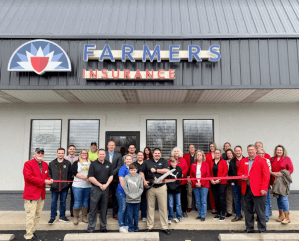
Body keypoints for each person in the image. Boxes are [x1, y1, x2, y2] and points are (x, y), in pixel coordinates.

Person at [238, 144, 270, 233]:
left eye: (252, 150)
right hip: (246, 189)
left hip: (259, 190)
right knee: (248, 210)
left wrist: (264, 188)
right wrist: (242, 176)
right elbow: (239, 172)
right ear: (247, 151)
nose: (250, 151)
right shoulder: (243, 160)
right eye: (249, 150)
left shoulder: (262, 160)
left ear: (256, 150)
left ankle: (262, 228)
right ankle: (249, 228)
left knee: (260, 210)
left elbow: (266, 175)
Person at [23, 148, 53, 241]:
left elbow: (46, 176)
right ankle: (28, 236)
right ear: (34, 154)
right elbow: (28, 177)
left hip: (41, 194)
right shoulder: (28, 164)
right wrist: (44, 181)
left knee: (38, 215)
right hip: (31, 194)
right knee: (31, 216)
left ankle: (32, 232)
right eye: (38, 152)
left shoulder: (45, 164)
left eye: (42, 153)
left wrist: (49, 180)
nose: (40, 154)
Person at [140, 148, 171, 235]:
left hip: (161, 187)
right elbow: (141, 172)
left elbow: (167, 171)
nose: (157, 155)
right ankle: (149, 226)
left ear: (160, 154)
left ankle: (165, 227)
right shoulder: (147, 162)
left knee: (163, 208)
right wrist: (144, 181)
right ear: (152, 154)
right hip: (150, 187)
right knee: (150, 207)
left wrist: (157, 170)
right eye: (155, 153)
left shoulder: (164, 161)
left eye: (158, 153)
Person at [87, 149, 113, 233]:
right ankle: (91, 227)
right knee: (93, 208)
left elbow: (111, 176)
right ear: (98, 155)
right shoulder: (93, 164)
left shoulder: (109, 164)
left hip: (105, 188)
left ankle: (103, 227)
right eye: (100, 154)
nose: (102, 155)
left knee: (104, 208)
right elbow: (90, 177)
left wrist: (106, 185)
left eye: (103, 154)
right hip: (96, 188)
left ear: (105, 155)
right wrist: (99, 185)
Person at [270, 145, 294, 224]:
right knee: (278, 199)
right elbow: (269, 168)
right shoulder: (272, 159)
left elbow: (291, 169)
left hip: (283, 182)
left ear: (283, 151)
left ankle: (287, 217)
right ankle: (281, 215)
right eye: (277, 150)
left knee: (284, 199)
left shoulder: (287, 159)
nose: (279, 151)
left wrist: (282, 173)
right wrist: (272, 173)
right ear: (275, 151)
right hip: (275, 182)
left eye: (280, 150)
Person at [48, 148, 72, 224]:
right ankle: (52, 217)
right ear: (57, 153)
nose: (60, 154)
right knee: (53, 202)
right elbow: (49, 174)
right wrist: (51, 182)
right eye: (59, 153)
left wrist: (67, 184)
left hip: (64, 187)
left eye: (62, 153)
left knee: (63, 202)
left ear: (64, 154)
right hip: (54, 187)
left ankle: (62, 216)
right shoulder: (52, 163)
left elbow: (70, 174)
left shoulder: (67, 163)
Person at [71, 149, 91, 225]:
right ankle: (75, 217)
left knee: (85, 201)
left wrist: (89, 177)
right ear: (80, 154)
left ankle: (84, 217)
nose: (84, 154)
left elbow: (93, 172)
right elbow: (74, 172)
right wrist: (85, 177)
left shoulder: (91, 163)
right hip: (77, 186)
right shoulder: (76, 163)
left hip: (88, 186)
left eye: (86, 153)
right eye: (83, 153)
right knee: (77, 201)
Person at [190, 150, 210, 222]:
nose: (198, 156)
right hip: (195, 185)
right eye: (197, 155)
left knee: (203, 201)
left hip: (204, 185)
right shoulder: (193, 164)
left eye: (200, 155)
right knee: (198, 201)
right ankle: (199, 214)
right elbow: (191, 176)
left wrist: (201, 183)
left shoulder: (206, 164)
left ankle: (203, 215)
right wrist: (195, 183)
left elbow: (208, 175)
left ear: (202, 156)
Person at [105, 140, 123, 219]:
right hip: (105, 179)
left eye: (113, 145)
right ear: (107, 146)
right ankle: (104, 213)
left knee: (115, 197)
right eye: (110, 145)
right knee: (105, 196)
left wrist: (112, 173)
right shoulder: (103, 154)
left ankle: (115, 213)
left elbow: (119, 166)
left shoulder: (118, 155)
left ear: (114, 146)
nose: (111, 146)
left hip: (115, 179)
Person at [123, 162, 144, 232]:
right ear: (129, 170)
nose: (133, 171)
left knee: (136, 214)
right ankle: (130, 227)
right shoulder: (126, 177)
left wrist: (137, 195)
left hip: (137, 199)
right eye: (131, 170)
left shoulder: (139, 177)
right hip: (129, 199)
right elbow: (125, 188)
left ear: (136, 170)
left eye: (134, 170)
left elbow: (141, 188)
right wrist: (130, 195)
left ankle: (136, 227)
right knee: (129, 214)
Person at [168, 147, 189, 217]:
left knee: (183, 197)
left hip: (182, 182)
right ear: (173, 153)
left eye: (177, 151)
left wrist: (182, 174)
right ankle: (173, 212)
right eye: (175, 151)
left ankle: (184, 211)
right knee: (172, 199)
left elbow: (186, 168)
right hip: (173, 183)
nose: (176, 153)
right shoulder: (170, 160)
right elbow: (168, 169)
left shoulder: (183, 159)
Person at [116, 154, 133, 233]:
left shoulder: (133, 168)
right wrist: (127, 191)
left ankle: (126, 224)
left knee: (127, 209)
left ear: (132, 160)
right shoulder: (122, 168)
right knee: (122, 208)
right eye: (127, 159)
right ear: (125, 160)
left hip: (130, 193)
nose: (128, 160)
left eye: (130, 159)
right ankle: (121, 225)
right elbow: (121, 181)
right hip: (122, 192)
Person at [210, 149, 228, 221]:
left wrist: (219, 180)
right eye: (215, 153)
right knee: (216, 198)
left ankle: (223, 214)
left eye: (218, 153)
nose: (217, 154)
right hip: (213, 183)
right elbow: (209, 172)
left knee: (221, 198)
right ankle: (217, 213)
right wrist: (211, 180)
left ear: (220, 154)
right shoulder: (211, 162)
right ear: (214, 154)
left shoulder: (223, 162)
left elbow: (225, 171)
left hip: (222, 183)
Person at [257, 148, 272, 222]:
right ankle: (259, 216)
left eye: (262, 153)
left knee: (266, 201)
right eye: (259, 153)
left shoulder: (267, 160)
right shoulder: (255, 161)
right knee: (257, 202)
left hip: (265, 184)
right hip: (256, 184)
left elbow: (268, 173)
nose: (261, 155)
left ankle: (266, 217)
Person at [230, 145, 244, 222]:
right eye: (236, 151)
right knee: (237, 200)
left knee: (246, 200)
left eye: (239, 151)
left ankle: (248, 216)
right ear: (234, 152)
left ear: (241, 151)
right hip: (235, 184)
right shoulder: (232, 161)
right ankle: (238, 215)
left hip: (245, 184)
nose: (238, 152)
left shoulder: (246, 160)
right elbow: (230, 173)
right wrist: (232, 182)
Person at [167, 158, 183, 224]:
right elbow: (167, 179)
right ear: (170, 163)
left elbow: (180, 179)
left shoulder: (179, 169)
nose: (173, 163)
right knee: (170, 204)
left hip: (177, 189)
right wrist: (170, 187)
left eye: (174, 162)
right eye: (172, 162)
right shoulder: (168, 169)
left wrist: (175, 186)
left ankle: (179, 216)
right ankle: (170, 217)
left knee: (178, 204)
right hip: (170, 190)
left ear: (177, 162)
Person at [65, 145, 78, 217]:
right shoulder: (65, 159)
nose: (72, 150)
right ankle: (63, 214)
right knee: (64, 196)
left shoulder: (77, 159)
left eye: (73, 149)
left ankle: (73, 212)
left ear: (75, 150)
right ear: (68, 150)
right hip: (67, 180)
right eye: (70, 149)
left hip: (75, 180)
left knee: (74, 197)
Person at [183, 144, 196, 212]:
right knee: (189, 192)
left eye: (193, 147)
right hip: (188, 176)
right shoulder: (185, 156)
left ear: (195, 148)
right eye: (190, 147)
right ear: (188, 149)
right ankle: (189, 206)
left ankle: (197, 206)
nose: (191, 148)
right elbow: (185, 166)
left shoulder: (197, 155)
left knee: (197, 192)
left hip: (197, 176)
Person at [205, 142, 217, 214]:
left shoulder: (218, 154)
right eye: (211, 146)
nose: (212, 147)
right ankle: (213, 208)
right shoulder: (207, 155)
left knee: (218, 193)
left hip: (217, 175)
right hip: (209, 175)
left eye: (213, 146)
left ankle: (218, 207)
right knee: (211, 193)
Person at [136, 151, 147, 221]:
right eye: (138, 155)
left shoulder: (146, 164)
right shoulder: (134, 164)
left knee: (144, 201)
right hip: (136, 186)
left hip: (144, 185)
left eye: (141, 155)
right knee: (136, 201)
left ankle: (144, 216)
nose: (140, 156)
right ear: (137, 156)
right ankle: (136, 215)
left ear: (143, 156)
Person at [225, 148, 235, 218]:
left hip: (235, 182)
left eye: (230, 153)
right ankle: (229, 211)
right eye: (228, 154)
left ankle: (237, 211)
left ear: (232, 154)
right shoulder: (225, 162)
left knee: (236, 197)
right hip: (227, 182)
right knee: (229, 197)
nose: (229, 155)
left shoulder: (235, 161)